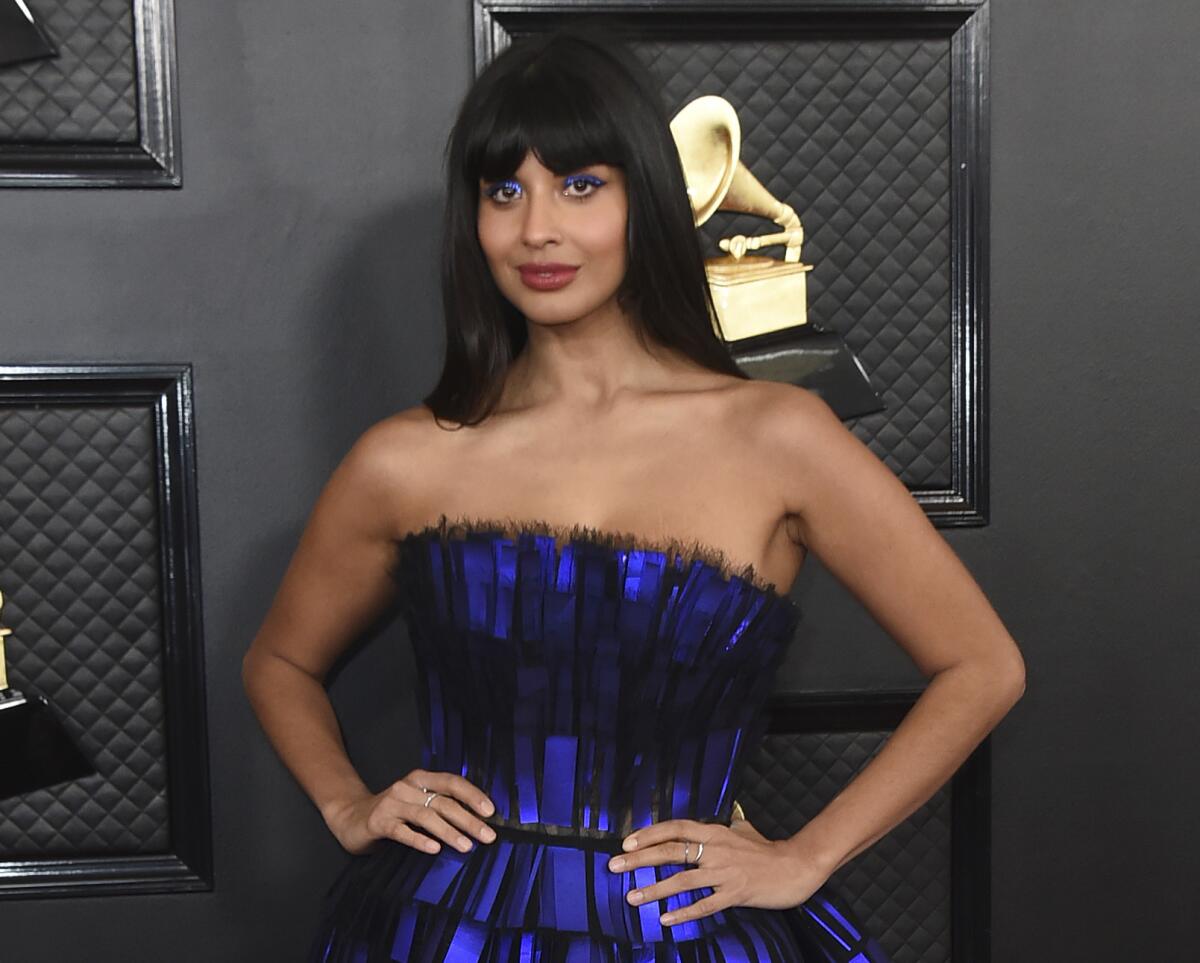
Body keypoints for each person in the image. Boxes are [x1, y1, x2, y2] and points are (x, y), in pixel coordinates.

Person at [241, 22, 1026, 963]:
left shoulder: (777, 435)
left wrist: (804, 856)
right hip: (435, 930)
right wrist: (348, 802)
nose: (537, 228)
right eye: (504, 190)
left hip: (685, 934)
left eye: (580, 185)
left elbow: (984, 664)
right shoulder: (403, 460)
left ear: (644, 200)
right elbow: (278, 661)